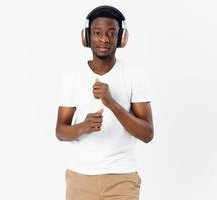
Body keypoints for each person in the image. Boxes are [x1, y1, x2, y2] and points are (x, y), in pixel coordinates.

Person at [55, 5, 154, 200]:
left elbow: (147, 134)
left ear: (121, 38)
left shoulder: (134, 75)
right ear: (86, 37)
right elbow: (60, 131)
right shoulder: (71, 77)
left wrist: (112, 104)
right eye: (97, 33)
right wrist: (83, 127)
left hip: (122, 177)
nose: (104, 39)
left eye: (111, 33)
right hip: (80, 178)